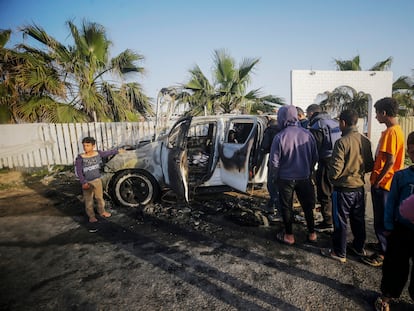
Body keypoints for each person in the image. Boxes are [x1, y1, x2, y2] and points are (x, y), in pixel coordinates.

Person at [320, 109, 374, 263]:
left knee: (340, 222)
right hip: (359, 188)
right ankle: (358, 247)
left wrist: (331, 177)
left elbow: (335, 172)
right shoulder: (365, 141)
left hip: (343, 190)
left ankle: (339, 252)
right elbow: (370, 165)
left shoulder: (342, 142)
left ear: (343, 123)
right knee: (358, 220)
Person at [362, 97, 405, 267]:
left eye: (377, 113)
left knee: (382, 219)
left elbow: (390, 161)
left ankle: (383, 253)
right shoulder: (396, 130)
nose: (376, 117)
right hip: (388, 182)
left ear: (384, 113)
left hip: (385, 183)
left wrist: (378, 181)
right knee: (384, 218)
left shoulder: (391, 133)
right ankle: (382, 245)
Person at [374, 131, 414, 311]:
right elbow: (391, 204)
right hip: (401, 230)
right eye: (412, 152)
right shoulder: (401, 176)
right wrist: (388, 226)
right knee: (394, 267)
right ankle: (387, 296)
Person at [269, 105, 318, 245]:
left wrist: (275, 176)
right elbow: (315, 157)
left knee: (286, 206)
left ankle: (289, 236)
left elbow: (274, 162)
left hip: (285, 178)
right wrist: (308, 169)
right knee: (307, 206)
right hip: (304, 177)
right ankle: (312, 233)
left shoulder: (279, 137)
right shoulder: (308, 134)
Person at [307, 104, 341, 233]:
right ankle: (336, 219)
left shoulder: (317, 125)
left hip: (325, 162)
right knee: (334, 191)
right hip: (338, 161)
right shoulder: (334, 122)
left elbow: (315, 148)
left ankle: (328, 222)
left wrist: (310, 167)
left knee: (324, 191)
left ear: (311, 113)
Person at [75, 137, 125, 223]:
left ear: (93, 146)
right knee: (89, 200)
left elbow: (107, 153)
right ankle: (91, 216)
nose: (85, 147)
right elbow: (79, 171)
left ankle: (102, 212)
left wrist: (118, 151)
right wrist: (83, 182)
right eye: (84, 146)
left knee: (99, 198)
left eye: (88, 145)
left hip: (97, 180)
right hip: (87, 182)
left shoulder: (97, 154)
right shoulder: (80, 158)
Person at [256, 118, 281, 218]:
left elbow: (264, 146)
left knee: (272, 186)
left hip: (274, 163)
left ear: (269, 124)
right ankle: (270, 205)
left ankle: (279, 212)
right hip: (287, 165)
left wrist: (257, 158)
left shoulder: (270, 131)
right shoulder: (285, 130)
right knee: (279, 188)